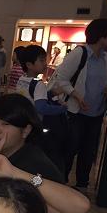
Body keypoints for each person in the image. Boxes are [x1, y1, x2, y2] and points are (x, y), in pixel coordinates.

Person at [50, 18, 107, 190]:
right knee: (70, 148)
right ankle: (61, 184)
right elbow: (61, 79)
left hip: (97, 112)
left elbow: (105, 80)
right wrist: (76, 95)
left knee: (88, 151)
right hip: (76, 112)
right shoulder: (80, 53)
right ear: (102, 36)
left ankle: (82, 186)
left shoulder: (106, 57)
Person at [15, 45, 68, 173]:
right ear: (29, 64)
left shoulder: (22, 80)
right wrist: (62, 109)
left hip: (24, 124)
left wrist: (51, 93)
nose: (45, 63)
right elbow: (41, 107)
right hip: (37, 126)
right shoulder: (38, 84)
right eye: (41, 60)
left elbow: (32, 98)